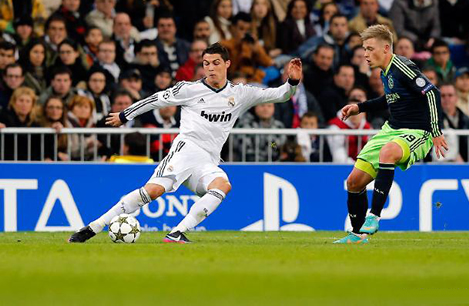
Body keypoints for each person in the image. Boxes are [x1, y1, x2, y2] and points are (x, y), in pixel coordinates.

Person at [68, 42, 303, 243]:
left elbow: (280, 95)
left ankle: (177, 232)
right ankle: (93, 227)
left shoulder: (240, 93)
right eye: (206, 63)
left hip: (208, 160)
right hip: (186, 151)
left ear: (227, 64)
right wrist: (124, 115)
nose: (210, 68)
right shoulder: (189, 89)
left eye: (216, 63)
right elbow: (155, 100)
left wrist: (291, 82)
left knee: (223, 185)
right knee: (153, 191)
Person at [334, 24, 447, 244]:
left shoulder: (403, 66)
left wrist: (435, 131)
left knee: (388, 153)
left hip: (418, 131)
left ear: (386, 48)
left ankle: (374, 217)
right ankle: (357, 236)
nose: (365, 54)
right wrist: (361, 107)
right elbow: (392, 99)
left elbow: (432, 93)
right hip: (392, 129)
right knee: (354, 182)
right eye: (364, 49)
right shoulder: (385, 72)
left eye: (369, 48)